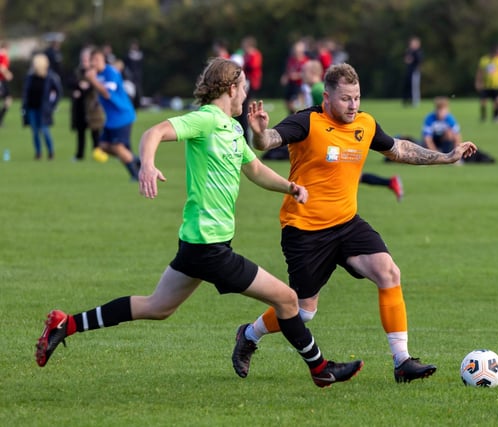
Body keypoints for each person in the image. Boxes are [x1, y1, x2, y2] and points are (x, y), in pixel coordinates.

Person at [35, 57, 363, 388]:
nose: (247, 93)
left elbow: (254, 169)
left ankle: (67, 324)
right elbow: (155, 131)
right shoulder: (205, 120)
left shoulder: (234, 127)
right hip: (208, 247)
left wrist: (290, 187)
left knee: (157, 306)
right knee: (288, 300)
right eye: (244, 87)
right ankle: (321, 369)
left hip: (199, 243)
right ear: (231, 88)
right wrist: (146, 165)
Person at [231, 63, 477, 383]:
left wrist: (446, 156)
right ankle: (249, 335)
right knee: (303, 311)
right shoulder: (308, 121)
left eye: (357, 98)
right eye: (346, 99)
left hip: (347, 224)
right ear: (328, 98)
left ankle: (402, 361)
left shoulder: (365, 124)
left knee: (388, 272)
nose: (353, 105)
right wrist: (260, 131)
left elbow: (398, 149)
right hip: (305, 230)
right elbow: (268, 142)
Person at [301, 60, 404, 201]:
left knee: (341, 174)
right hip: (329, 139)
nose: (301, 74)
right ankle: (390, 182)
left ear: (312, 73)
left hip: (333, 140)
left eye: (304, 71)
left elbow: (328, 114)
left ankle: (389, 182)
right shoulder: (316, 89)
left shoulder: (317, 90)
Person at [85, 48, 139, 180]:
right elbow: (102, 93)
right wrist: (97, 102)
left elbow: (106, 93)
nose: (95, 63)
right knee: (103, 146)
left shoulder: (111, 73)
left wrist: (92, 80)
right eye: (93, 61)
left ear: (103, 60)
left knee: (117, 147)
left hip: (122, 116)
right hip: (111, 119)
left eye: (97, 60)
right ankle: (135, 160)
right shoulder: (99, 75)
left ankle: (135, 174)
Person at [22, 53, 63, 160]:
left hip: (44, 109)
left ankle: (50, 152)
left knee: (44, 130)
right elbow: (26, 92)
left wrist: (52, 105)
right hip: (32, 107)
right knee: (35, 131)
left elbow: (58, 92)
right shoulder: (30, 77)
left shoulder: (50, 77)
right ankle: (38, 153)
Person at [69, 46, 105, 161]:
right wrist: (79, 87)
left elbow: (96, 88)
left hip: (92, 106)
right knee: (81, 132)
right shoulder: (77, 71)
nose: (84, 60)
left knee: (95, 131)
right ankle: (80, 154)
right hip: (80, 106)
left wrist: (86, 87)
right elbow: (70, 83)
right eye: (83, 57)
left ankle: (97, 153)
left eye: (87, 58)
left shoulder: (95, 72)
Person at [237, 36, 262, 136]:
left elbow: (253, 67)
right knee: (245, 104)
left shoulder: (255, 54)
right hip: (246, 82)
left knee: (248, 104)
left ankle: (250, 129)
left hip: (252, 82)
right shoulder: (246, 55)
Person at [280, 40, 309, 115]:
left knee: (297, 103)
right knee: (287, 102)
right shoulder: (291, 60)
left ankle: (298, 116)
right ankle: (292, 115)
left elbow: (307, 74)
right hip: (291, 84)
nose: (296, 53)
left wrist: (297, 75)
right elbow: (288, 70)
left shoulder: (305, 61)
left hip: (300, 84)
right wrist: (285, 77)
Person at [402, 36, 423, 107]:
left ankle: (415, 101)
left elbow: (418, 61)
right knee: (408, 86)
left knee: (415, 87)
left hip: (415, 71)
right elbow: (406, 60)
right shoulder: (409, 51)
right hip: (409, 71)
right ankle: (407, 100)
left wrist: (411, 60)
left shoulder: (418, 52)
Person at [124, 40, 144, 109]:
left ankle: (138, 104)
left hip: (138, 76)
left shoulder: (140, 55)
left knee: (138, 91)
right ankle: (131, 104)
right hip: (130, 76)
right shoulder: (128, 55)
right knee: (131, 91)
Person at [0, 40, 13, 127]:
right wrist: (8, 74)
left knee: (8, 99)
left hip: (2, 81)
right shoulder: (4, 55)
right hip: (1, 80)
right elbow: (2, 68)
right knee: (8, 100)